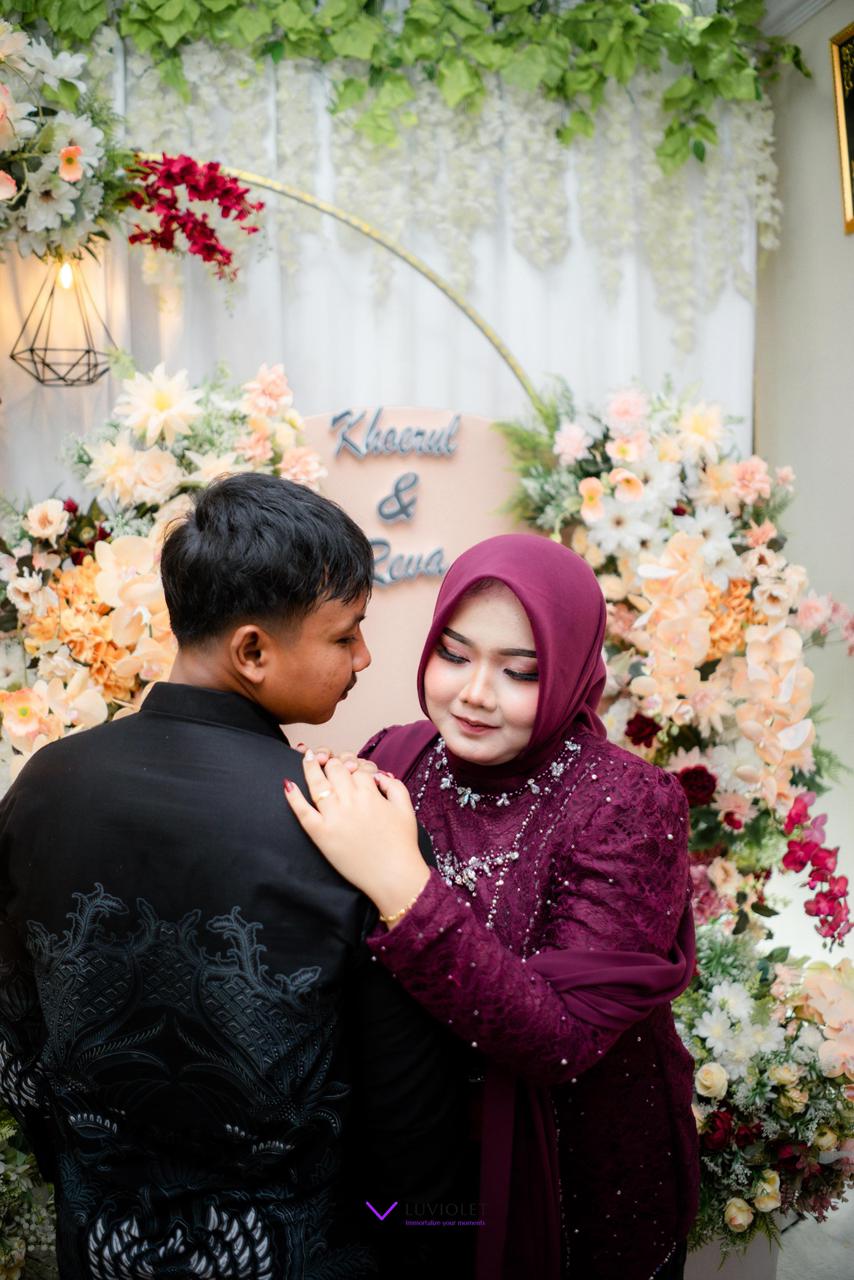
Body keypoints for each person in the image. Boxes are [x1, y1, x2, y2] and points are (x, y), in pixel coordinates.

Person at [0, 473, 466, 1279]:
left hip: (104, 1247)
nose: (364, 657)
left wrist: (91, 1183)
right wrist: (421, 1237)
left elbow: (17, 1040)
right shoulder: (345, 821)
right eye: (345, 635)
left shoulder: (44, 784)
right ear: (252, 650)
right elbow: (408, 1122)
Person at [285, 532, 700, 1280]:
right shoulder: (395, 759)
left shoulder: (629, 803)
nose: (476, 693)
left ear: (571, 670)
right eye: (454, 655)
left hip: (576, 1178)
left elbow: (564, 1039)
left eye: (520, 671)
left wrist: (404, 886)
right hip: (417, 1168)